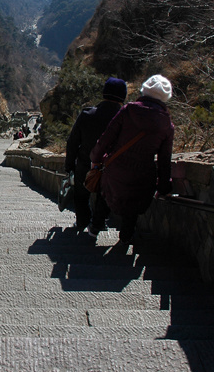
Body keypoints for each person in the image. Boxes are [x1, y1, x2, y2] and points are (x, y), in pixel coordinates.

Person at [89, 75, 175, 246]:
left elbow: (106, 138)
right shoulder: (167, 124)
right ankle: (125, 238)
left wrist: (95, 159)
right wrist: (163, 186)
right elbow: (165, 160)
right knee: (132, 207)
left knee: (106, 196)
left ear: (145, 90)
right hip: (143, 173)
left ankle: (94, 229)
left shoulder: (128, 110)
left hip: (116, 167)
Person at [64, 77, 127, 237]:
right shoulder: (125, 119)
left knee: (81, 195)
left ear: (104, 93)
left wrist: (69, 165)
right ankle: (97, 223)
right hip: (112, 167)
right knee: (104, 194)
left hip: (85, 164)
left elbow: (72, 142)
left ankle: (83, 221)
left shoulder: (87, 114)